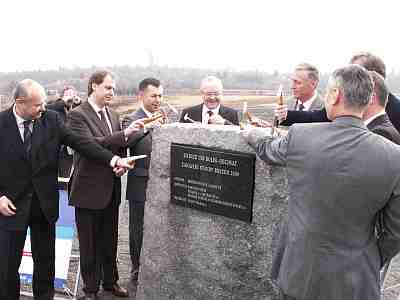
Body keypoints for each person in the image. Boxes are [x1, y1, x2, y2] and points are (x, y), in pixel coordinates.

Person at [242, 65, 400, 300]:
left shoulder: (301, 136)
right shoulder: (394, 156)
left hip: (300, 272)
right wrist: (371, 256)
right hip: (357, 279)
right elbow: (395, 231)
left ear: (335, 95)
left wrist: (252, 134)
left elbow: (268, 150)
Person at [0, 79, 135, 300]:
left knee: (45, 264)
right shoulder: (1, 123)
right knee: (6, 267)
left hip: (44, 206)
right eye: (37, 105)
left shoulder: (51, 119)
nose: (43, 108)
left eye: (44, 103)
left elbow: (81, 143)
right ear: (19, 102)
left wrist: (113, 160)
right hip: (10, 207)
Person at [66, 71, 144, 300]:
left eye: (113, 88)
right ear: (94, 86)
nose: (112, 92)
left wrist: (121, 163)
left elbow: (117, 148)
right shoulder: (77, 116)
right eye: (108, 87)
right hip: (87, 190)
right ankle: (90, 290)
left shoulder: (113, 114)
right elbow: (88, 146)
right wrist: (124, 134)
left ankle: (110, 283)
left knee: (110, 240)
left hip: (111, 187)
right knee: (89, 244)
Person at [275, 52, 400, 133]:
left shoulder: (396, 112)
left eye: (353, 73)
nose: (347, 76)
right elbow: (318, 117)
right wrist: (286, 115)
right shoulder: (349, 103)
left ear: (371, 78)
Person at [122, 77, 164, 282]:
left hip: (162, 182)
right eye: (153, 95)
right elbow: (128, 140)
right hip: (140, 182)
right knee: (138, 228)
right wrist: (148, 126)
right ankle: (137, 269)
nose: (158, 99)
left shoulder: (163, 117)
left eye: (160, 95)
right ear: (141, 96)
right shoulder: (131, 118)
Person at [47, 86, 82, 178]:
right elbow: (46, 109)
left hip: (68, 150)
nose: (71, 96)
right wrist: (63, 102)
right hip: (53, 148)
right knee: (50, 176)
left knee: (65, 177)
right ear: (62, 96)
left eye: (72, 94)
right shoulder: (54, 105)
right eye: (68, 94)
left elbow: (83, 114)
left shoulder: (75, 108)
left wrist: (79, 104)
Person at [363, 71, 400, 144]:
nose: (352, 99)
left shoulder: (380, 134)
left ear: (371, 98)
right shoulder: (381, 129)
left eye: (357, 93)